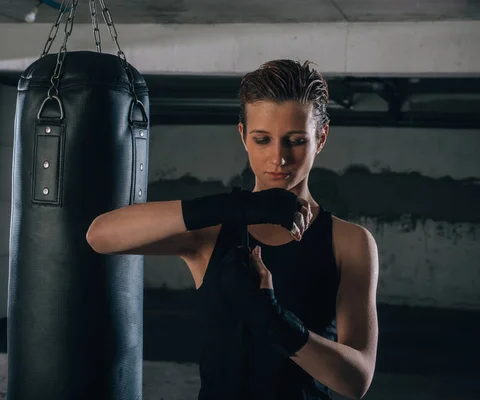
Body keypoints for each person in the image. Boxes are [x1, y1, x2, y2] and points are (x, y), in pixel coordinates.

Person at [86, 60, 379, 400]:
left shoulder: (348, 242)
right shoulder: (212, 231)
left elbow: (357, 380)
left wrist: (273, 320)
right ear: (243, 135)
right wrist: (238, 208)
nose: (278, 158)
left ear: (321, 138)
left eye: (295, 140)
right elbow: (100, 235)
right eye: (262, 139)